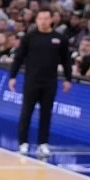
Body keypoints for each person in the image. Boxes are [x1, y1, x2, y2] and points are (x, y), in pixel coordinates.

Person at [8, 8, 72, 156]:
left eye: (46, 18)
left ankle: (43, 144)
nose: (43, 21)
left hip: (50, 82)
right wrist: (12, 76)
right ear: (36, 20)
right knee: (26, 113)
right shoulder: (29, 37)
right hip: (31, 81)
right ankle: (23, 143)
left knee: (46, 114)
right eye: (40, 18)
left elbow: (66, 60)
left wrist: (68, 78)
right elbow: (19, 58)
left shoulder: (59, 39)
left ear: (51, 20)